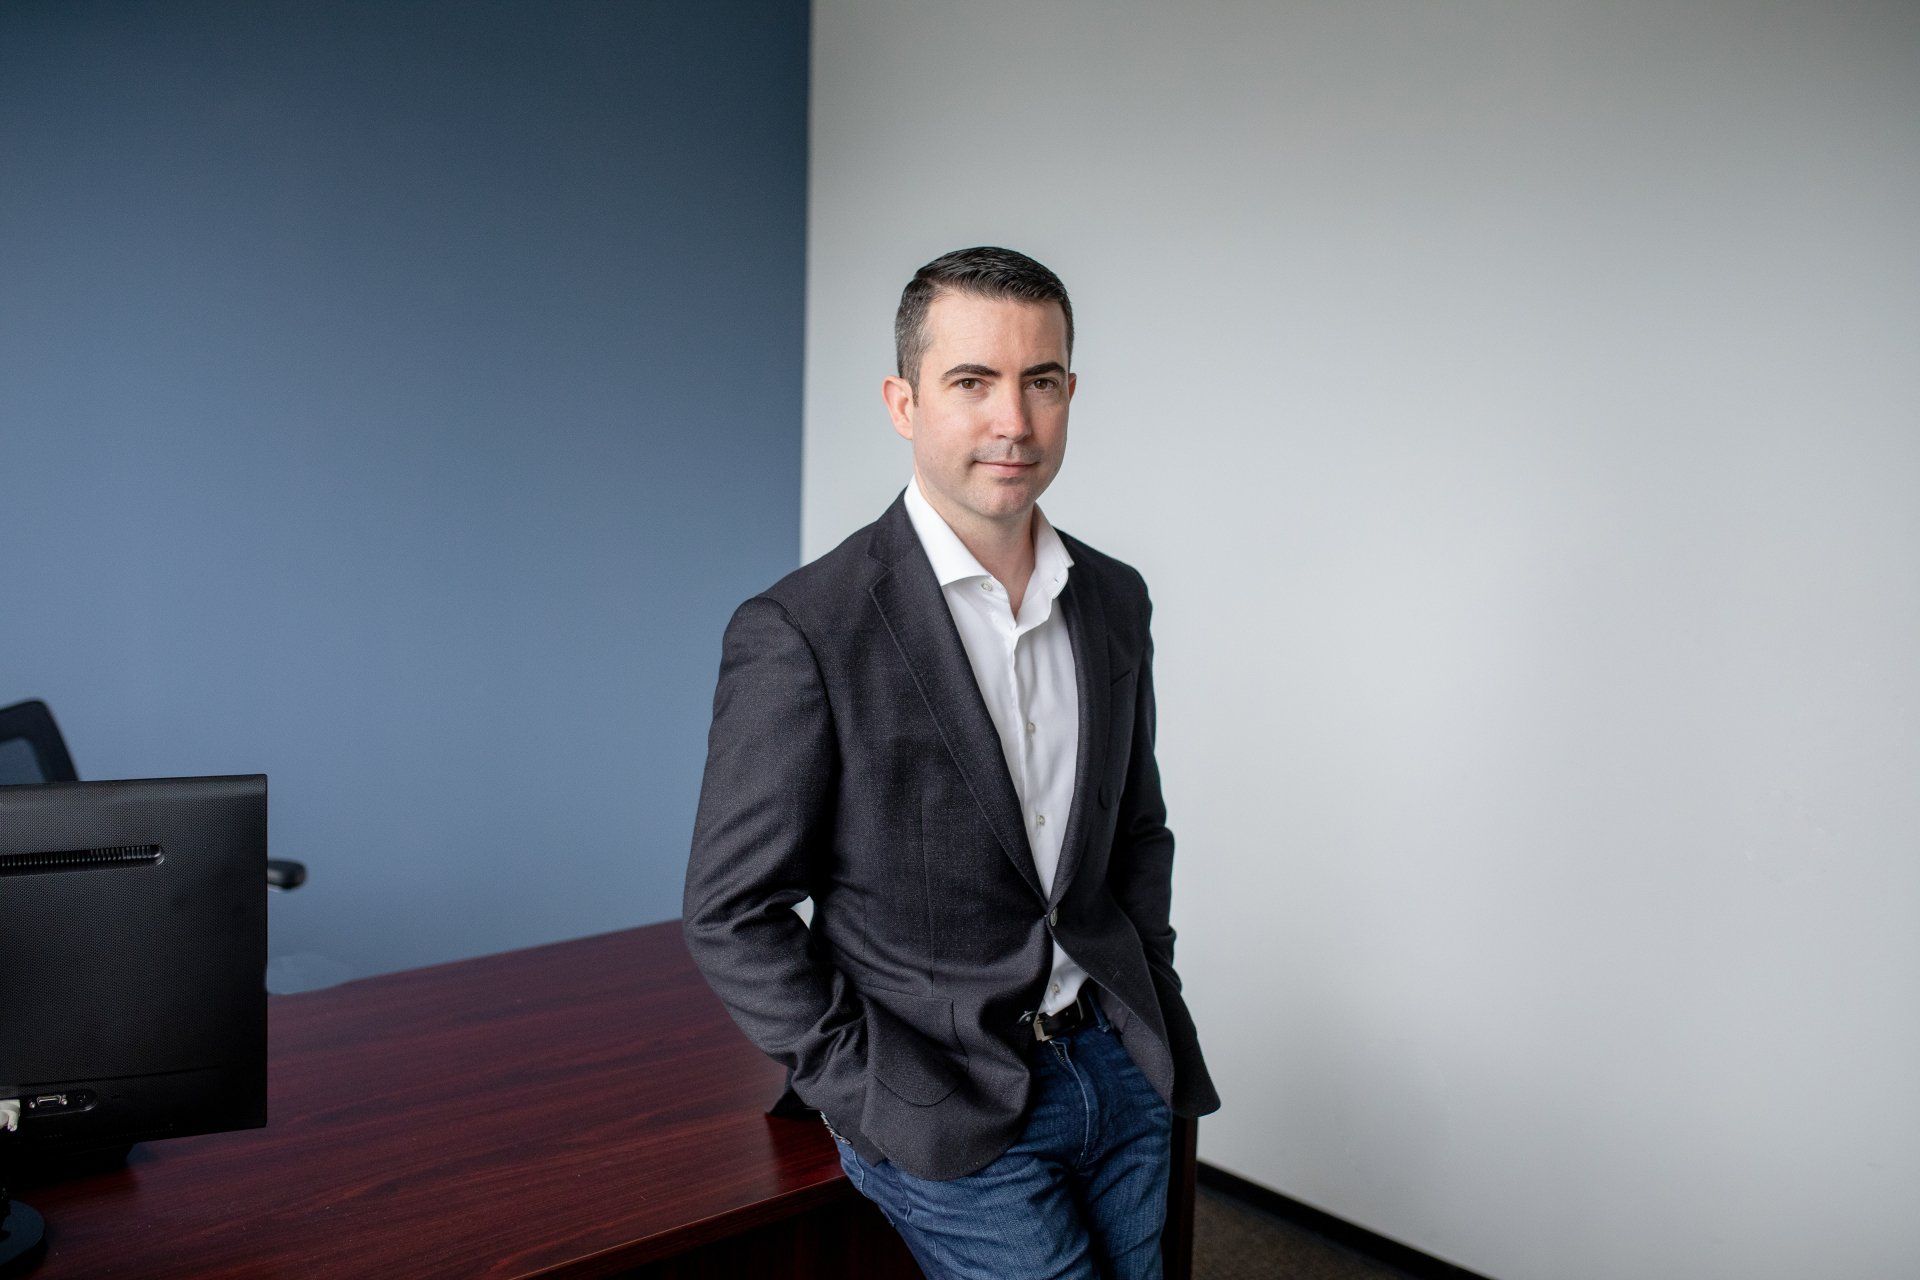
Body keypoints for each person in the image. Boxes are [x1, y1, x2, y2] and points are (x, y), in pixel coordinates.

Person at [683, 246, 1219, 1280]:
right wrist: (872, 1087)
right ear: (903, 400)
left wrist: (1145, 991)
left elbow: (1135, 827)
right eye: (972, 381)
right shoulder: (802, 628)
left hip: (1117, 1061)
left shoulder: (1115, 599)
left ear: (1070, 392)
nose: (1013, 421)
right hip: (941, 1096)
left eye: (1041, 380)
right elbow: (729, 910)